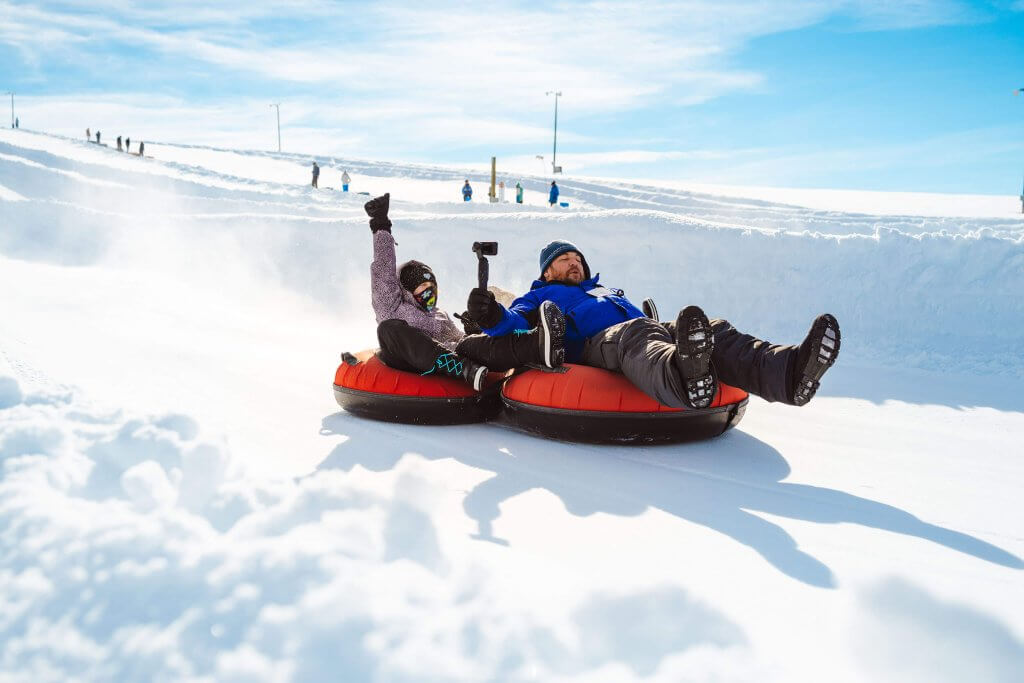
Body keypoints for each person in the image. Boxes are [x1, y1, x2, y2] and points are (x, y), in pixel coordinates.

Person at [466, 240, 840, 410]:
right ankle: (684, 380)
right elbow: (513, 326)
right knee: (638, 333)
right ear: (547, 271)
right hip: (598, 345)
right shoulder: (539, 295)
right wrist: (492, 316)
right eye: (564, 259)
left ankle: (790, 373)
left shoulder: (602, 289)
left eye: (577, 257)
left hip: (644, 331)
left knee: (713, 328)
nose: (574, 262)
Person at [364, 194, 565, 390]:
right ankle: (460, 368)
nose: (428, 291)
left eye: (431, 287)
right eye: (422, 287)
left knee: (471, 344)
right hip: (410, 358)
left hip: (454, 356)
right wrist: (381, 225)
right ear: (407, 290)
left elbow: (457, 340)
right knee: (388, 328)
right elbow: (383, 269)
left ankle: (535, 343)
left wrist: (473, 331)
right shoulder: (391, 305)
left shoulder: (439, 315)